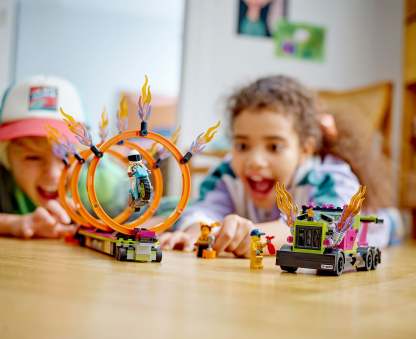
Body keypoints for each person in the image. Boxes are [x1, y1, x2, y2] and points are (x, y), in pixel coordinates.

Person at [159, 75, 403, 257]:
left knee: (383, 222)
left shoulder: (328, 177)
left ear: (305, 149)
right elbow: (204, 210)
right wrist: (194, 232)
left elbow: (329, 229)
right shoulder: (228, 174)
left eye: (274, 147)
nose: (255, 160)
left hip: (374, 226)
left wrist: (256, 235)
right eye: (242, 145)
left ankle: (395, 220)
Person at [0, 75, 127, 238]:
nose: (53, 175)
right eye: (33, 157)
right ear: (6, 158)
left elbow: (157, 217)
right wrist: (12, 223)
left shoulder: (105, 184)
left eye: (67, 156)